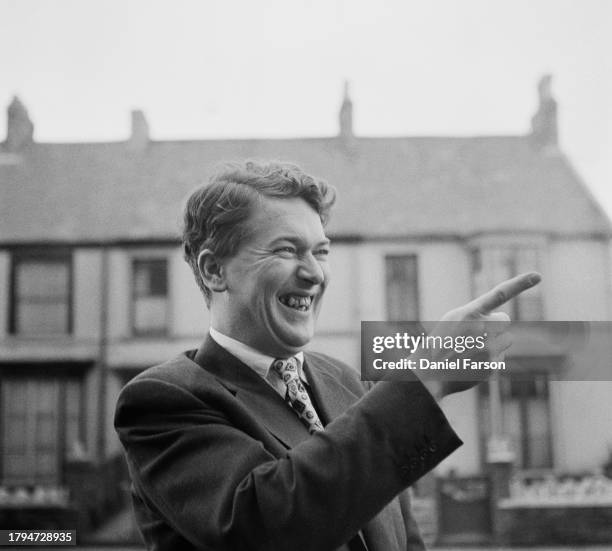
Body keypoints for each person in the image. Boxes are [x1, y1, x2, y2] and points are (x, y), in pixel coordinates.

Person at [114, 161, 540, 551]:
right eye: (286, 250)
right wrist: (425, 378)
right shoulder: (161, 401)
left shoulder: (349, 383)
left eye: (321, 251)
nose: (315, 273)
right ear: (214, 270)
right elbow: (270, 525)